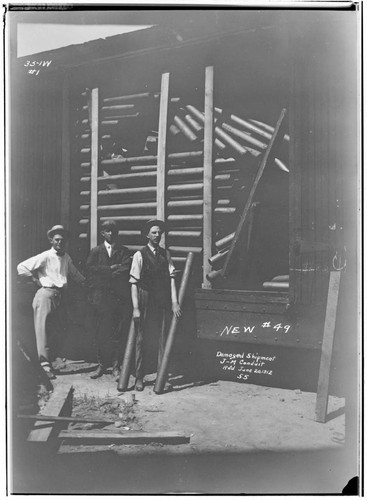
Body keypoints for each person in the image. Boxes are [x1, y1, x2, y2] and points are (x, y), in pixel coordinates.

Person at [17, 225, 86, 379]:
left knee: (56, 329)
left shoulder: (66, 257)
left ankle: (53, 360)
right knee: (42, 330)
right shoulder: (45, 256)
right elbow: (21, 267)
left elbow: (75, 274)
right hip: (46, 295)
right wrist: (35, 279)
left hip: (61, 296)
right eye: (57, 240)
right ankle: (45, 366)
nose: (60, 243)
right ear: (51, 240)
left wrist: (87, 283)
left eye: (62, 240)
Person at [129, 219, 182, 391]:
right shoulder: (139, 255)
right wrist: (136, 308)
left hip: (161, 299)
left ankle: (162, 376)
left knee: (162, 338)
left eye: (159, 232)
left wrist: (174, 302)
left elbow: (172, 279)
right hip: (145, 298)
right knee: (142, 338)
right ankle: (139, 377)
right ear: (147, 235)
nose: (157, 235)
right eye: (154, 232)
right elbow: (133, 283)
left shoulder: (166, 254)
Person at [86, 220, 132, 380]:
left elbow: (126, 268)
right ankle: (101, 365)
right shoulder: (96, 251)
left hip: (118, 299)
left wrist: (106, 274)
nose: (111, 233)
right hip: (100, 300)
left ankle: (116, 366)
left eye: (113, 231)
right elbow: (90, 270)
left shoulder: (123, 251)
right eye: (107, 230)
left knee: (117, 333)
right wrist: (110, 269)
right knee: (100, 332)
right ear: (102, 233)